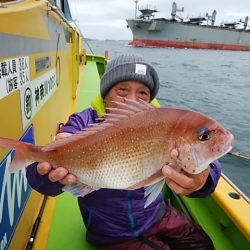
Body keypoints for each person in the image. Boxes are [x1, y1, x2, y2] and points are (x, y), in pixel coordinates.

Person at [26, 54, 221, 250]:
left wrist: (204, 179)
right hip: (113, 234)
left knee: (203, 245)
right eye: (122, 90)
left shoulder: (165, 124)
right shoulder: (82, 124)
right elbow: (40, 177)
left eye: (143, 93)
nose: (131, 99)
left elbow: (205, 158)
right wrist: (49, 170)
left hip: (158, 214)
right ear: (106, 92)